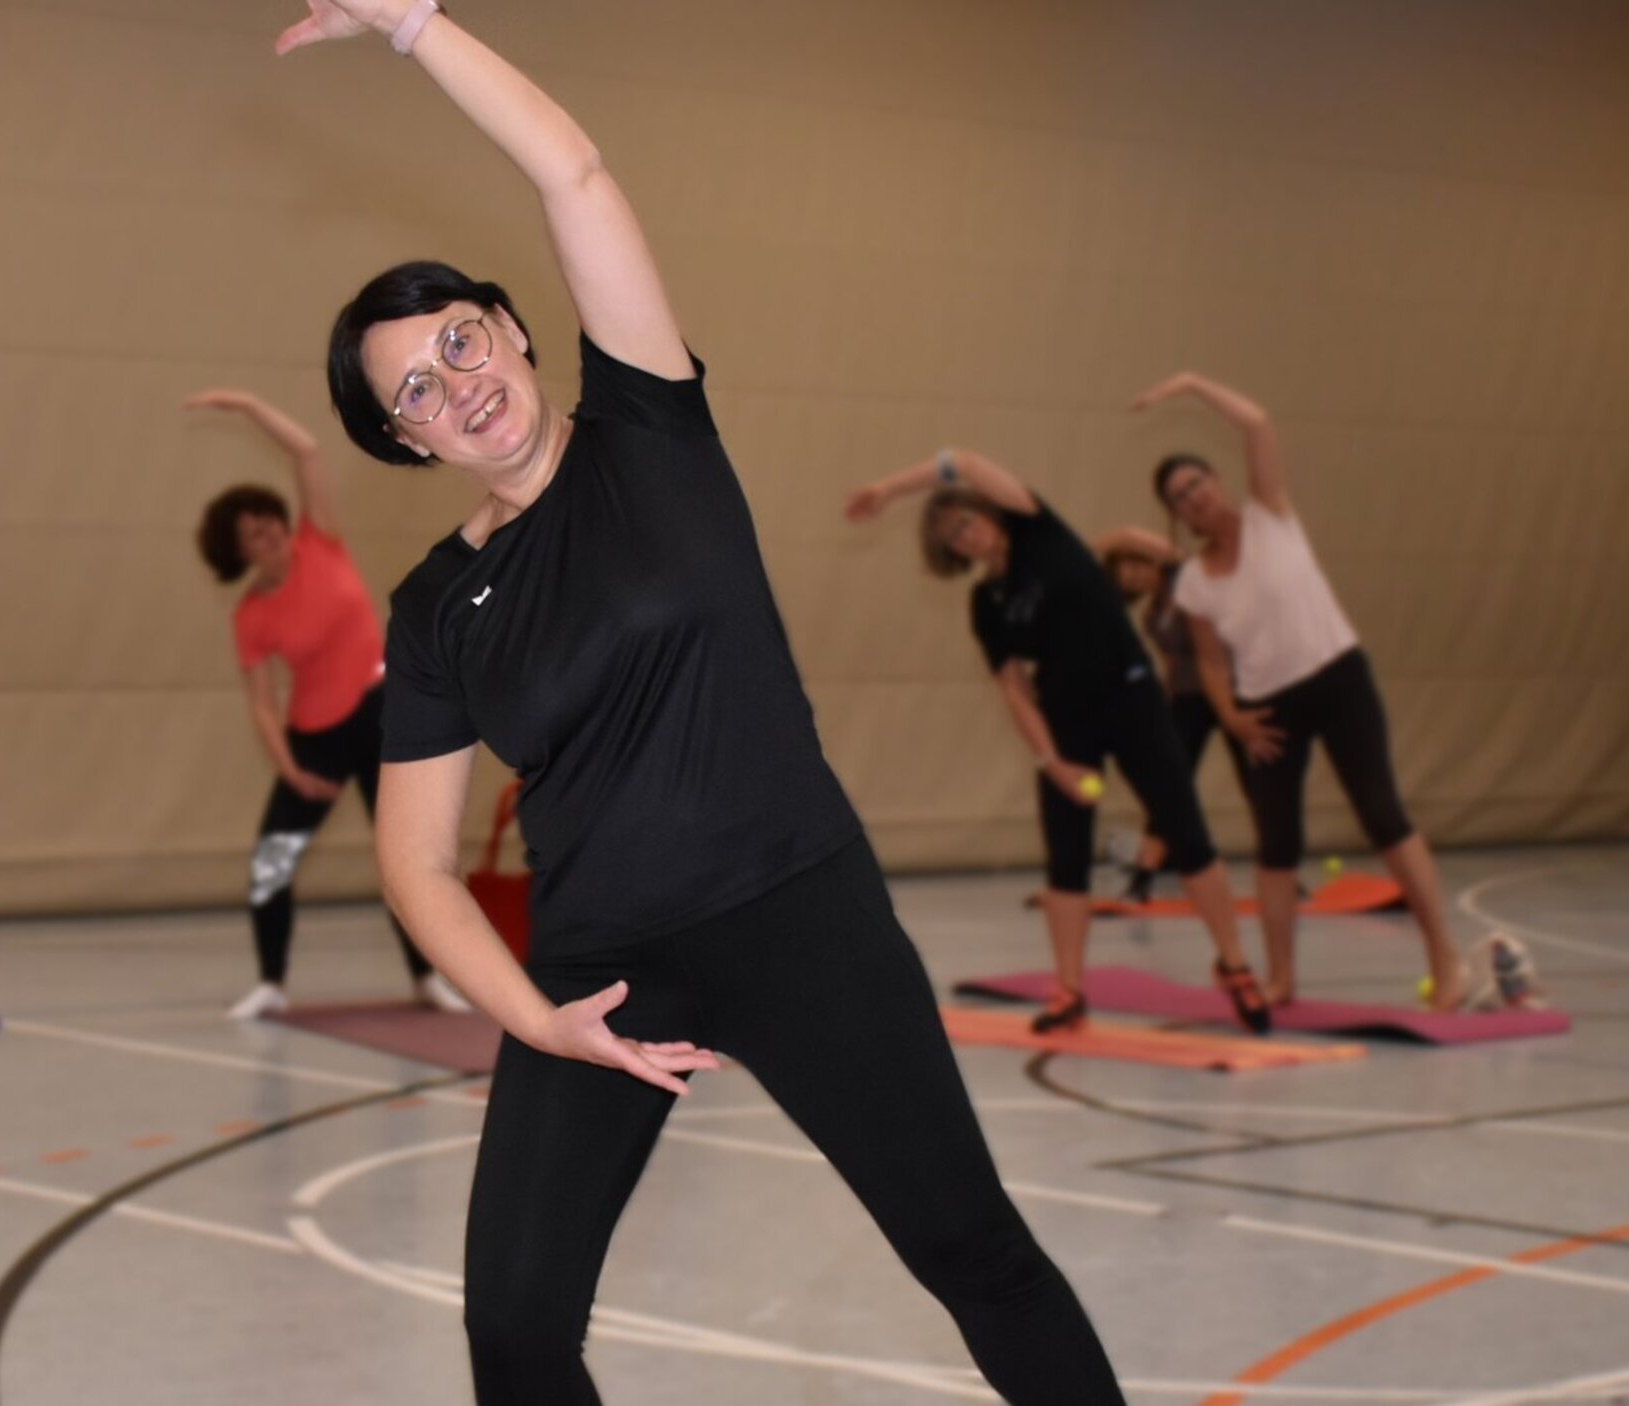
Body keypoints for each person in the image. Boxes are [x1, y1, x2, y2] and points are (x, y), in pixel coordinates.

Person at [281, 3, 1128, 1401]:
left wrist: (415, 26)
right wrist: (537, 1017)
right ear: (403, 439)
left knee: (972, 1249)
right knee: (517, 1331)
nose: (459, 384)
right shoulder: (435, 606)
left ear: (517, 331)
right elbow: (416, 861)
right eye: (416, 390)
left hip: (798, 906)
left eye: (464, 339)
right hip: (602, 958)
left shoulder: (649, 432)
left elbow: (575, 176)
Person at [846, 452, 1271, 1035]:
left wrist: (889, 486)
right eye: (952, 538)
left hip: (1133, 699)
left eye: (967, 522)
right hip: (1068, 724)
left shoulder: (1037, 529)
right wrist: (1053, 763)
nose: (966, 538)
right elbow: (1015, 690)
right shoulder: (986, 604)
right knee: (1066, 860)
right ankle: (1070, 990)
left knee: (1185, 833)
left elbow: (963, 461)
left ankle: (1235, 964)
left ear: (988, 513)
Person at [1132, 371, 1468, 1009]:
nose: (1194, 498)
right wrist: (1233, 719)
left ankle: (1443, 958)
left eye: (1197, 483)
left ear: (1218, 482)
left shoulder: (1271, 517)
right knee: (1276, 844)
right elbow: (1209, 665)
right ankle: (1282, 977)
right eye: (1180, 498)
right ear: (1175, 516)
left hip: (1337, 679)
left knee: (1383, 815)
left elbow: (1257, 423)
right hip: (1268, 709)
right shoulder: (1195, 581)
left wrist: (1187, 385)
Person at [186, 389, 469, 1019]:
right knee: (271, 863)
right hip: (314, 738)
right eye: (253, 539)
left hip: (382, 716)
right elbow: (262, 703)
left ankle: (428, 977)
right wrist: (289, 768)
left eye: (269, 524)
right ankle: (270, 981)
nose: (268, 539)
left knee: (407, 859)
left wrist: (245, 406)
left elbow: (307, 451)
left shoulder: (323, 542)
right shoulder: (251, 617)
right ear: (241, 556)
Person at [1091, 525, 1247, 903]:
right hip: (1188, 698)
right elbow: (1172, 663)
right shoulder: (1151, 617)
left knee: (1257, 781)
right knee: (1168, 787)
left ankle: (1285, 874)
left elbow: (1137, 539)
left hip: (1231, 691)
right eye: (1125, 576)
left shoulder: (1185, 577)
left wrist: (1107, 544)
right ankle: (1144, 877)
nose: (1135, 575)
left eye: (1136, 566)